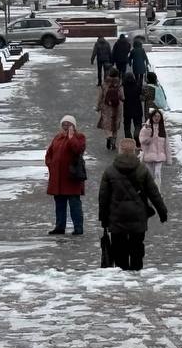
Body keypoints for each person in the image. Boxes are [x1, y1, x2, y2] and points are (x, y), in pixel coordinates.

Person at [98, 139, 168, 272]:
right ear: (134, 151)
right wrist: (162, 212)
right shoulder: (142, 170)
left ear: (120, 151)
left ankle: (122, 271)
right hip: (138, 215)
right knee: (137, 246)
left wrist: (103, 218)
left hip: (117, 216)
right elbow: (154, 193)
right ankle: (136, 271)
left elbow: (103, 197)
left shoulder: (110, 171)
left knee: (119, 248)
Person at [44, 115, 86, 236]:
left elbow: (78, 149)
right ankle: (60, 227)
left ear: (74, 126)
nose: (66, 126)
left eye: (69, 124)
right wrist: (51, 164)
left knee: (74, 204)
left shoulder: (79, 137)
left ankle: (78, 228)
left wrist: (71, 137)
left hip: (72, 178)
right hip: (58, 178)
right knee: (60, 204)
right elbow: (49, 153)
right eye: (64, 124)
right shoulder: (57, 137)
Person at [124, 37, 151, 139]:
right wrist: (147, 62)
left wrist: (130, 62)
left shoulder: (124, 88)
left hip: (127, 109)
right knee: (140, 77)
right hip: (137, 109)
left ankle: (128, 138)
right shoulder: (142, 50)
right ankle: (137, 134)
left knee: (127, 124)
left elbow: (129, 58)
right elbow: (145, 57)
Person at [139, 108, 170, 186]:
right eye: (155, 116)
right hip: (148, 155)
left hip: (160, 155)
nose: (157, 118)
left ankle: (157, 190)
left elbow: (166, 145)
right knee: (150, 175)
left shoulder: (163, 129)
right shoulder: (146, 128)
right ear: (152, 117)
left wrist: (168, 159)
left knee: (157, 173)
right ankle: (150, 189)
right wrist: (148, 131)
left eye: (158, 116)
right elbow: (143, 141)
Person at [95, 67, 123, 151]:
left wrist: (98, 107)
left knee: (107, 124)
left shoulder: (104, 84)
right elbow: (122, 96)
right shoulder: (119, 84)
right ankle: (113, 143)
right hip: (117, 107)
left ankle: (108, 136)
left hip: (106, 107)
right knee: (115, 125)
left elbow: (100, 97)